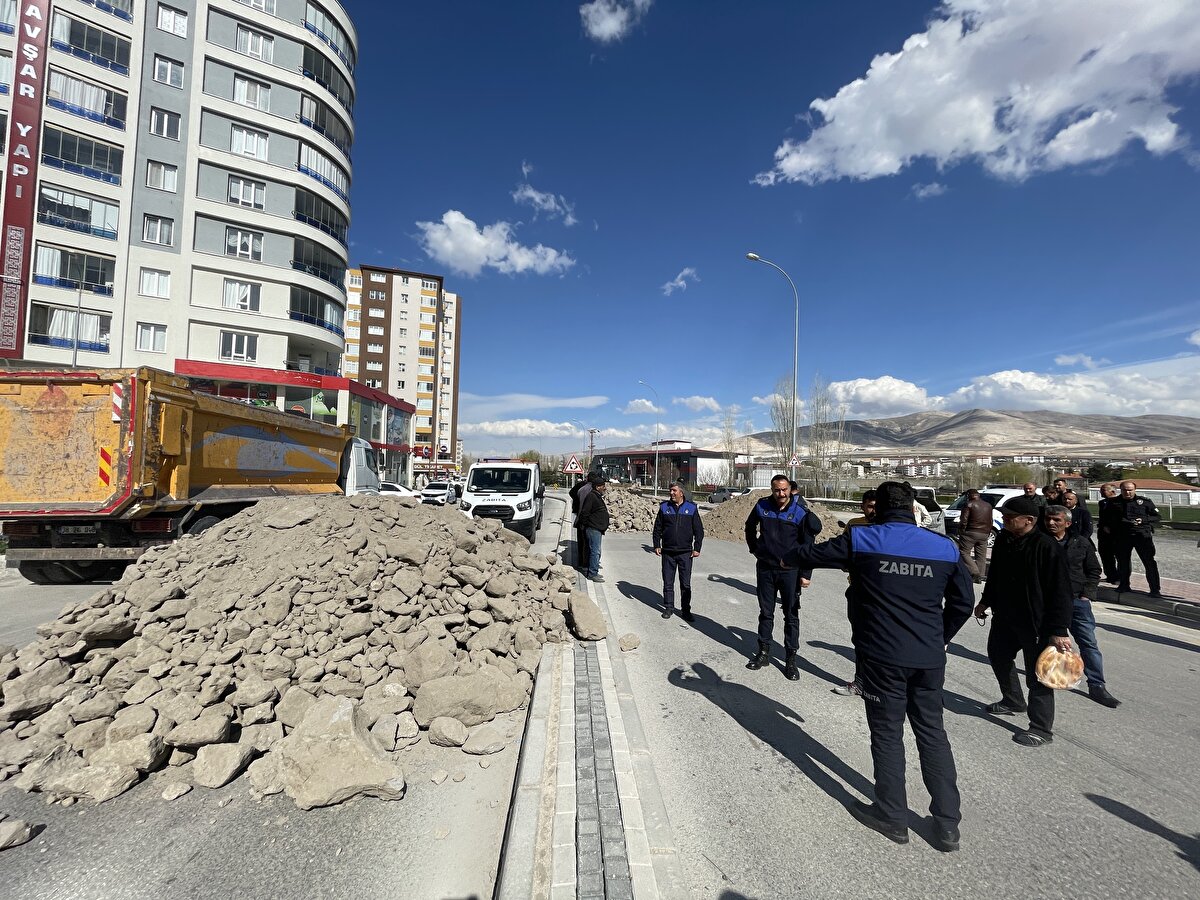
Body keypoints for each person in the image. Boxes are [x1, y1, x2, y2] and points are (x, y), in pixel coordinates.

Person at [793, 481, 974, 851]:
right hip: (928, 659)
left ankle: (892, 816)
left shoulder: (864, 539)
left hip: (882, 658)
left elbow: (809, 554)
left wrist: (781, 552)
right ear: (913, 506)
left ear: (879, 505)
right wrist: (941, 636)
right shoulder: (945, 547)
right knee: (933, 735)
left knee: (888, 735)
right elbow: (963, 603)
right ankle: (947, 826)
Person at [975, 496, 1073, 748]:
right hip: (1006, 616)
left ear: (1028, 520)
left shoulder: (1046, 546)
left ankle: (1041, 728)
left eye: (1010, 517)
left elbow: (1061, 591)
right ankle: (1012, 700)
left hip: (1036, 623)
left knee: (1038, 674)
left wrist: (1059, 630)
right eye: (1004, 516)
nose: (1005, 520)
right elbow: (995, 574)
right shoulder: (1006, 540)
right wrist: (985, 601)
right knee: (998, 655)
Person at [744, 474, 822, 681]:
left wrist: (806, 574)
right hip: (766, 569)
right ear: (772, 489)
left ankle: (791, 660)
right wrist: (755, 549)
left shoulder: (800, 513)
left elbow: (808, 546)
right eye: (777, 490)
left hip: (790, 572)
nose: (781, 494)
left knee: (791, 615)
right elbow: (749, 527)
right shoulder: (762, 506)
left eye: (784, 490)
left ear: (790, 489)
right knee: (766, 612)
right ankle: (763, 653)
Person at [1043, 505, 1120, 708]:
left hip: (1077, 600)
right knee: (1045, 642)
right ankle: (1047, 677)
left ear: (1067, 523)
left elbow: (1094, 569)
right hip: (1047, 602)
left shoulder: (1081, 543)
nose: (1051, 523)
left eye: (1057, 520)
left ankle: (1097, 685)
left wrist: (1088, 594)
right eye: (1048, 519)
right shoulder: (1040, 542)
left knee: (1088, 643)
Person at [833, 489, 876, 697]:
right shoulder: (855, 525)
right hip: (858, 590)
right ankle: (860, 682)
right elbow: (844, 552)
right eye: (870, 506)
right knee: (860, 638)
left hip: (883, 594)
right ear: (862, 506)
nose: (874, 510)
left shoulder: (888, 527)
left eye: (878, 506)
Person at [652, 482, 704, 622]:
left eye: (674, 490)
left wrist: (697, 548)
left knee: (685, 584)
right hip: (668, 552)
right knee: (668, 582)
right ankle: (669, 608)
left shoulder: (691, 508)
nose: (671, 493)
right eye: (670, 491)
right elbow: (657, 528)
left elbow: (699, 530)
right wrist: (656, 544)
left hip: (685, 553)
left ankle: (686, 610)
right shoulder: (664, 507)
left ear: (681, 493)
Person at [1104, 481, 1163, 598]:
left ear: (1135, 490)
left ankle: (1155, 589)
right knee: (1123, 562)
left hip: (1142, 536)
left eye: (1130, 490)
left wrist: (1144, 520)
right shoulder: (1113, 502)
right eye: (1125, 490)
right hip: (1122, 536)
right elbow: (1106, 518)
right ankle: (1124, 585)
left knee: (1149, 562)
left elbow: (1157, 517)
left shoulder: (1144, 502)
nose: (1128, 492)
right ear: (1121, 490)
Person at [957, 489, 993, 584]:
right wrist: (988, 532)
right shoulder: (988, 505)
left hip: (970, 532)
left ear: (969, 495)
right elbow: (990, 520)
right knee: (981, 555)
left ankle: (974, 572)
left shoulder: (969, 504)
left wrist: (961, 530)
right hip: (985, 533)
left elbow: (964, 520)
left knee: (963, 552)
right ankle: (980, 576)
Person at [577, 480, 610, 583]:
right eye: (602, 486)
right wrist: (587, 525)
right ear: (597, 487)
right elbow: (585, 512)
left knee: (595, 551)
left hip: (596, 528)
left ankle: (593, 571)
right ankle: (592, 574)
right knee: (595, 552)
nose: (604, 488)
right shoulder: (592, 496)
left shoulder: (596, 496)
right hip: (593, 528)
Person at [570, 473, 602, 572]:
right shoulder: (588, 490)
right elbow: (587, 508)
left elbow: (572, 493)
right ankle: (586, 565)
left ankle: (586, 564)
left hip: (582, 518)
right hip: (585, 520)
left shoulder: (582, 487)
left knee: (584, 543)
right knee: (587, 544)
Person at [1096, 483, 1120, 583]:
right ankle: (1110, 575)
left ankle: (1121, 578)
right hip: (1103, 534)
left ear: (1112, 491)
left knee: (1120, 557)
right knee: (1105, 556)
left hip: (1116, 534)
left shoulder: (1120, 502)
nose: (1101, 492)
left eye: (1104, 490)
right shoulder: (1102, 503)